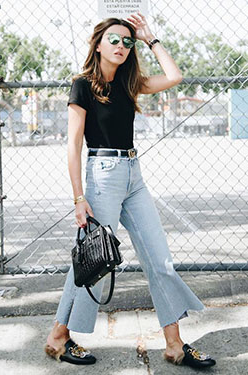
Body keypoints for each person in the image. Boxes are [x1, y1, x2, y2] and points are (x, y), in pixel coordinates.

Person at [45, 13, 216, 369]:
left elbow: (174, 76)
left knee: (161, 260)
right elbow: (73, 147)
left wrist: (150, 38)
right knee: (93, 262)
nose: (121, 46)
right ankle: (59, 335)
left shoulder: (129, 82)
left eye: (127, 42)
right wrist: (79, 198)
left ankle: (174, 345)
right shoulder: (82, 85)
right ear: (98, 43)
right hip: (102, 174)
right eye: (114, 40)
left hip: (133, 176)